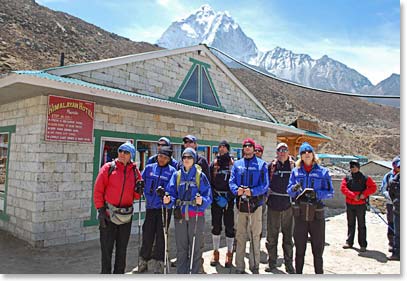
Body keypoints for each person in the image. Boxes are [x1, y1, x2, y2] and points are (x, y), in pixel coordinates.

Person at [93, 141, 143, 274]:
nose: (122, 154)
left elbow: (137, 196)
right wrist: (101, 210)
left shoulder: (135, 171)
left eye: (126, 152)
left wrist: (139, 190)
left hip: (125, 217)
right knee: (106, 250)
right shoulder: (108, 168)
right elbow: (98, 190)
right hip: (108, 215)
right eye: (120, 151)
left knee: (122, 250)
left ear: (131, 155)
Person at [287, 142, 334, 274]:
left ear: (313, 155)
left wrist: (317, 194)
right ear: (300, 156)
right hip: (300, 215)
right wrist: (294, 189)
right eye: (303, 153)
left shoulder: (323, 172)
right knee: (299, 249)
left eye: (309, 152)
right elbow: (289, 191)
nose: (306, 154)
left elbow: (330, 192)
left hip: (316, 215)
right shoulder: (295, 172)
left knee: (317, 250)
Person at [164, 148, 212, 274]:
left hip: (196, 214)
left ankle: (195, 272)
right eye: (184, 157)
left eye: (189, 157)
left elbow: (208, 196)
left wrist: (202, 201)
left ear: (194, 159)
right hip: (180, 215)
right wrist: (168, 200)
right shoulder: (177, 175)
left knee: (196, 247)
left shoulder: (200, 176)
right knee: (181, 248)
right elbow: (171, 192)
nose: (186, 159)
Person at [229, 138, 269, 274]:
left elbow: (265, 185)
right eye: (245, 146)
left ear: (253, 148)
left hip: (255, 205)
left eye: (250, 146)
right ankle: (239, 266)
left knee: (254, 237)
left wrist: (252, 191)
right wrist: (236, 190)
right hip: (240, 206)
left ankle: (255, 265)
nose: (247, 148)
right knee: (240, 236)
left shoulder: (262, 164)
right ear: (243, 148)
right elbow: (232, 181)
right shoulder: (237, 164)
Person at [137, 146, 177, 273]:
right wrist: (139, 186)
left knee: (161, 235)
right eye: (160, 156)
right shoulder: (149, 168)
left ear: (169, 159)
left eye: (165, 158)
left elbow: (173, 189)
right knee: (147, 234)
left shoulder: (172, 171)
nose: (161, 159)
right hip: (150, 207)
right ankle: (144, 259)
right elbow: (141, 181)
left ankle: (160, 261)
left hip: (163, 209)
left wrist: (166, 193)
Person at [265, 142, 295, 274]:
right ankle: (271, 262)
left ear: (288, 152)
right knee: (271, 237)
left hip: (288, 206)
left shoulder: (294, 166)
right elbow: (264, 183)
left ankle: (289, 264)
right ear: (276, 152)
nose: (282, 152)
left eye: (285, 150)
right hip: (273, 205)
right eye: (279, 150)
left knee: (288, 237)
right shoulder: (271, 166)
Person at [340, 159, 377, 252]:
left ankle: (363, 244)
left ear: (358, 167)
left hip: (361, 204)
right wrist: (353, 196)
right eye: (351, 166)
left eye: (355, 166)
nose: (353, 168)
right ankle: (349, 242)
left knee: (361, 225)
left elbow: (373, 187)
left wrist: (364, 194)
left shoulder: (365, 178)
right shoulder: (347, 178)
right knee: (350, 224)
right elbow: (343, 188)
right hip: (350, 204)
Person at [209, 140, 235, 268]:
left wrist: (229, 197)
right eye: (220, 147)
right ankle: (215, 251)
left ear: (228, 149)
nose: (222, 149)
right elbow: (209, 182)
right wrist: (215, 197)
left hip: (229, 200)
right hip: (216, 199)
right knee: (216, 226)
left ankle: (230, 253)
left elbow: (236, 181)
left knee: (230, 227)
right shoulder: (214, 164)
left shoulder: (233, 164)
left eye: (224, 147)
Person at [380, 156, 400, 253]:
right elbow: (384, 189)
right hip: (391, 204)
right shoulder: (388, 176)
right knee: (392, 223)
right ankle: (392, 244)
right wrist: (392, 198)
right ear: (394, 165)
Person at [387, 156, 400, 261]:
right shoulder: (394, 180)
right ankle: (396, 253)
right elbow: (391, 193)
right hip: (398, 210)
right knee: (397, 233)